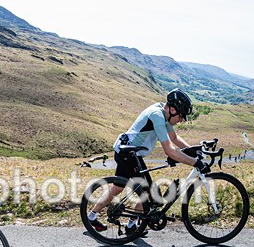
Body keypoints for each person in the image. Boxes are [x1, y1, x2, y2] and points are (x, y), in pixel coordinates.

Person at [87, 88, 210, 235]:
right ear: (172, 109)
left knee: (119, 188)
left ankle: (92, 216)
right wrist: (195, 162)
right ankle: (131, 226)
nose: (181, 120)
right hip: (128, 154)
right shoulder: (157, 115)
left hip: (131, 152)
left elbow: (174, 138)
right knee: (147, 191)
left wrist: (192, 150)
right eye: (181, 116)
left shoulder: (164, 114)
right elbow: (169, 150)